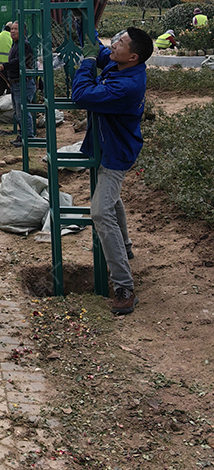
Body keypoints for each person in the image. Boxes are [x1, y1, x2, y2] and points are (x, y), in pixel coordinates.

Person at [73, 26, 154, 315]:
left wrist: (85, 63)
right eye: (117, 38)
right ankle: (126, 246)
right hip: (108, 145)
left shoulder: (127, 85)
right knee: (111, 197)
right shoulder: (121, 65)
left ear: (133, 57)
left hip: (116, 153)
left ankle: (124, 286)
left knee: (100, 211)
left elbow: (81, 95)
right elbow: (99, 48)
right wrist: (83, 22)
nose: (114, 44)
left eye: (121, 42)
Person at [0, 22, 35, 146]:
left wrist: (3, 67)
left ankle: (28, 137)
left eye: (16, 29)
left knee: (23, 112)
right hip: (15, 83)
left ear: (23, 31)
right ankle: (22, 136)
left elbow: (18, 62)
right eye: (11, 29)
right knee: (17, 112)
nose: (12, 31)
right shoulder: (15, 44)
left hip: (23, 83)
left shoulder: (24, 45)